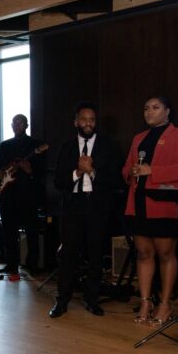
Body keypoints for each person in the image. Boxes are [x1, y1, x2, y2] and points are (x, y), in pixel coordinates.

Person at [122, 96, 178, 324]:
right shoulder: (138, 138)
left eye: (155, 107)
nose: (149, 112)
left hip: (164, 203)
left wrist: (151, 171)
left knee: (165, 253)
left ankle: (165, 303)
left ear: (168, 111)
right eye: (146, 108)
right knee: (143, 253)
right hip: (139, 202)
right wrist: (130, 172)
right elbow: (126, 168)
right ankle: (145, 301)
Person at [51, 102, 121, 318]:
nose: (88, 123)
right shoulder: (67, 147)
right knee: (68, 255)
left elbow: (115, 180)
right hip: (73, 207)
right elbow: (58, 181)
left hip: (97, 207)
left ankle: (92, 300)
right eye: (84, 119)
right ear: (76, 122)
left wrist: (92, 172)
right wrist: (77, 172)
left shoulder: (108, 146)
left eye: (92, 120)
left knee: (95, 255)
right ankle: (62, 301)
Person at [0, 113, 48, 274]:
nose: (16, 125)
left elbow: (41, 171)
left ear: (26, 125)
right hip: (7, 195)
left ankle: (32, 265)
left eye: (20, 122)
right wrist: (0, 173)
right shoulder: (5, 145)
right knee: (9, 232)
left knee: (31, 231)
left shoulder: (35, 145)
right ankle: (11, 264)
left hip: (27, 195)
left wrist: (30, 171)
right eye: (14, 123)